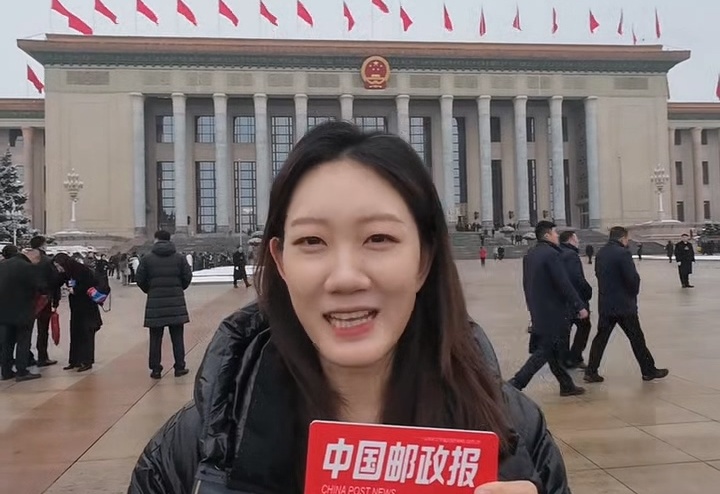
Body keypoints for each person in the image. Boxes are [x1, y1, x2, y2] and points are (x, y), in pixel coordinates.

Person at [128, 122, 569, 494]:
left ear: (424, 259)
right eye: (312, 241)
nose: (345, 277)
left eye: (379, 238)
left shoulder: (517, 436)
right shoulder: (191, 455)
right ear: (280, 261)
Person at [509, 221, 588, 397]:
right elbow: (563, 283)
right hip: (554, 310)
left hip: (538, 308)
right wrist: (579, 305)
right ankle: (516, 383)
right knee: (545, 350)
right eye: (554, 232)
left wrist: (531, 307)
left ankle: (566, 385)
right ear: (547, 235)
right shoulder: (552, 254)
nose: (557, 235)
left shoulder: (530, 254)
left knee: (552, 349)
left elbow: (526, 283)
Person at [584, 227, 668, 384]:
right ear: (622, 238)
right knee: (636, 338)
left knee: (601, 338)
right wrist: (633, 293)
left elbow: (598, 274)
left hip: (606, 303)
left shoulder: (601, 253)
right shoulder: (623, 253)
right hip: (623, 305)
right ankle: (648, 371)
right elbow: (632, 278)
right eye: (627, 238)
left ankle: (591, 371)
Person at [135, 230, 193, 379]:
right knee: (177, 338)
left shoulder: (147, 259)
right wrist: (178, 288)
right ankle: (179, 367)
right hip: (176, 303)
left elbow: (140, 279)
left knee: (155, 339)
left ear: (156, 239)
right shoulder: (179, 258)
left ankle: (156, 369)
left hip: (155, 304)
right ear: (169, 239)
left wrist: (150, 290)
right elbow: (187, 276)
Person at [53, 253, 103, 372]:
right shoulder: (67, 272)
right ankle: (74, 360)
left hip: (87, 307)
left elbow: (90, 285)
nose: (58, 269)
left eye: (59, 266)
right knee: (75, 333)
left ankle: (87, 361)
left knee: (86, 334)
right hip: (76, 308)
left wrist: (75, 290)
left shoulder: (82, 270)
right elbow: (57, 282)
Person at [0, 248, 43, 382]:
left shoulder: (3, 265)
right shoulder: (28, 268)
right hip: (23, 310)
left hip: (3, 310)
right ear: (33, 258)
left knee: (7, 342)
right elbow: (39, 286)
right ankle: (22, 371)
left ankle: (6, 371)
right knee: (23, 341)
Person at [558, 231, 593, 369]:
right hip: (575, 299)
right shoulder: (571, 255)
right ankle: (574, 357)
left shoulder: (557, 252)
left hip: (561, 299)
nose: (578, 240)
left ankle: (564, 358)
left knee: (566, 330)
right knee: (584, 326)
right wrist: (588, 291)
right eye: (576, 238)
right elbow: (576, 278)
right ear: (571, 239)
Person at [29, 235, 62, 367]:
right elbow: (55, 281)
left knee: (26, 330)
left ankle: (26, 357)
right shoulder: (47, 261)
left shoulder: (26, 259)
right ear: (42, 245)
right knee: (43, 329)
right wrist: (56, 299)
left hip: (27, 298)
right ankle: (42, 357)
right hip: (44, 299)